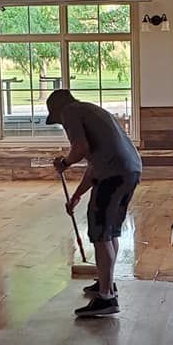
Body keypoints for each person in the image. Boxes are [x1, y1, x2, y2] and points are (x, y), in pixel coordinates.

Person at [47, 89, 142, 317]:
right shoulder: (91, 111)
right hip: (130, 170)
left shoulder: (71, 111)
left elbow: (80, 149)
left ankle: (106, 297)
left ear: (60, 110)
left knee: (101, 234)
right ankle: (105, 283)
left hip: (113, 174)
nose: (61, 124)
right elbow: (94, 163)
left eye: (57, 120)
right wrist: (78, 195)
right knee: (111, 232)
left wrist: (65, 162)